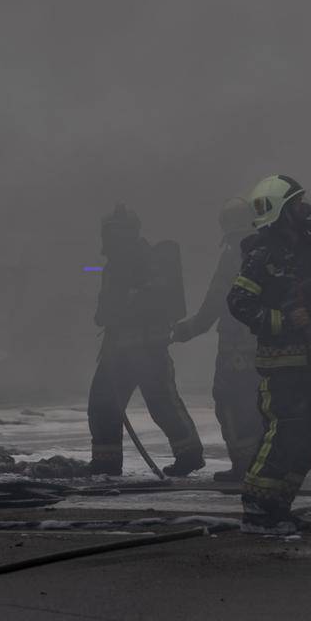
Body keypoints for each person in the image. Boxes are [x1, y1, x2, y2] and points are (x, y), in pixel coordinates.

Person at [226, 175, 311, 535]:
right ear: (280, 211)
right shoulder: (262, 253)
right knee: (283, 432)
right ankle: (256, 506)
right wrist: (281, 320)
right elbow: (239, 302)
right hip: (281, 364)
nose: (306, 209)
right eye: (297, 204)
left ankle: (279, 505)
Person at [85, 204, 205, 476]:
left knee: (162, 403)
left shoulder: (148, 263)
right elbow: (104, 313)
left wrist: (125, 305)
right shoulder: (114, 267)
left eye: (114, 233)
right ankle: (106, 462)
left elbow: (140, 307)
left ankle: (190, 454)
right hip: (119, 352)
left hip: (147, 350)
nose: (110, 239)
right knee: (103, 404)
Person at [170, 196, 261, 482]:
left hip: (237, 347)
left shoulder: (235, 253)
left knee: (231, 403)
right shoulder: (271, 251)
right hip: (267, 346)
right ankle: (263, 464)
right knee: (261, 406)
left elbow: (217, 300)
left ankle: (243, 467)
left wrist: (188, 329)